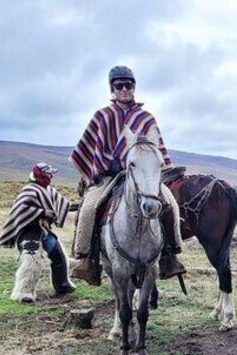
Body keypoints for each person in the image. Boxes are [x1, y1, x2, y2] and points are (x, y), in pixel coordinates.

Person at [68, 65, 185, 286]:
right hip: (109, 176)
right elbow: (88, 148)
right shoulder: (103, 116)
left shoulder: (146, 118)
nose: (124, 89)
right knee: (89, 208)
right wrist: (102, 168)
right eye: (119, 85)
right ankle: (87, 260)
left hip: (142, 178)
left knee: (170, 204)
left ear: (134, 87)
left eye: (128, 85)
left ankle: (170, 256)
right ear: (112, 88)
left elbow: (156, 150)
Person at [0, 162, 76, 303]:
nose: (51, 176)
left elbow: (62, 204)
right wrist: (42, 212)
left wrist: (79, 206)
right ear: (42, 174)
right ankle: (23, 292)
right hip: (29, 232)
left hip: (44, 230)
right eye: (49, 173)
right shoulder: (29, 190)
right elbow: (21, 209)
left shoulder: (48, 190)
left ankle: (62, 285)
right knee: (31, 262)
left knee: (59, 256)